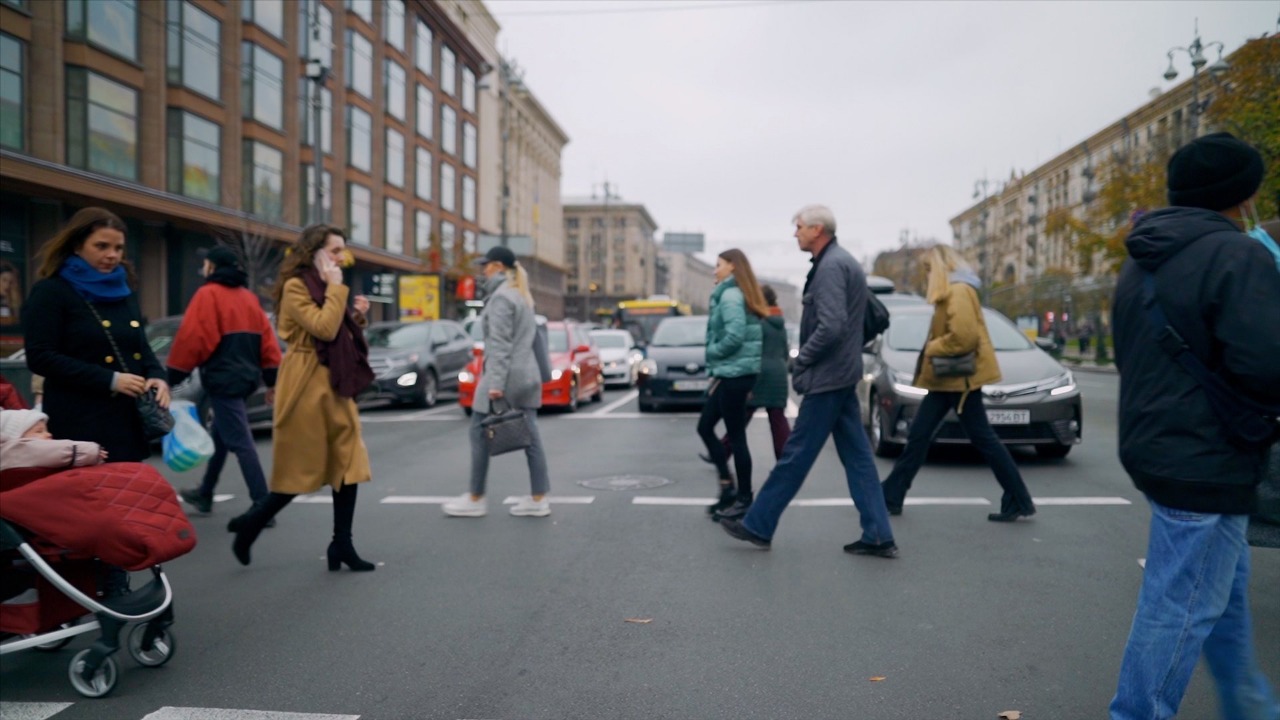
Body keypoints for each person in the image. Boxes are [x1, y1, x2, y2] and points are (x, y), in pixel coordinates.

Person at [1108, 132, 1280, 719]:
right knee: (1180, 607)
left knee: (1219, 596)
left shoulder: (1141, 256)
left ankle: (1251, 707)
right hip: (1209, 457)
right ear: (1244, 192)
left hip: (1158, 448)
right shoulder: (1238, 256)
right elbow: (1267, 365)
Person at [721, 205, 897, 556]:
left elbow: (831, 327)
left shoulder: (831, 267)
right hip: (841, 374)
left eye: (799, 227)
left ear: (818, 230)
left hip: (829, 377)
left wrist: (803, 358)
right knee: (859, 457)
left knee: (796, 454)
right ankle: (878, 534)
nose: (795, 233)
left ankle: (758, 523)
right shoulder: (839, 262)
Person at [230, 225, 377, 572]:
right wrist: (337, 291)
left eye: (343, 250)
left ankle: (342, 543)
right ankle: (252, 524)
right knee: (301, 468)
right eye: (335, 250)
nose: (342, 257)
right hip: (306, 382)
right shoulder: (297, 287)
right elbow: (323, 328)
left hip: (336, 382)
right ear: (314, 252)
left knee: (348, 465)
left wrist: (356, 316)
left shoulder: (328, 285)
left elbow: (335, 329)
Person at [879, 245, 1036, 522]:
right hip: (947, 381)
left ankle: (1018, 497)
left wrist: (931, 347)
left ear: (939, 268)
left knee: (979, 439)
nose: (926, 275)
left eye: (928, 269)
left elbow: (963, 338)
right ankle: (892, 495)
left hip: (959, 380)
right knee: (920, 436)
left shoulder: (958, 291)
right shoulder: (953, 291)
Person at [22, 207, 170, 462]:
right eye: (101, 246)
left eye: (118, 248)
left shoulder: (123, 291)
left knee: (127, 496)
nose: (112, 255)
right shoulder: (51, 291)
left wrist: (157, 377)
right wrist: (110, 379)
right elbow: (40, 356)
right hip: (79, 422)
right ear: (77, 245)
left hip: (126, 421)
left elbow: (140, 347)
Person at [167, 246, 282, 518]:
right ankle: (205, 493)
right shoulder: (249, 298)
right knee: (221, 435)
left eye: (206, 264)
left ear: (213, 267)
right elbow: (268, 342)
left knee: (241, 441)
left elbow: (193, 338)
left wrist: (173, 376)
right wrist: (271, 381)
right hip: (246, 377)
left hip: (221, 377)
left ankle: (262, 504)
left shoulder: (208, 295)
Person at [443, 245, 552, 518]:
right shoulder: (522, 295)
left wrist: (495, 384)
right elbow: (533, 339)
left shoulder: (502, 298)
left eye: (487, 265)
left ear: (499, 267)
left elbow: (501, 345)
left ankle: (476, 497)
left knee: (478, 433)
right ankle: (538, 498)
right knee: (531, 438)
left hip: (505, 376)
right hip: (526, 374)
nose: (483, 270)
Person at [698, 248, 765, 522]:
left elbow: (735, 335)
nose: (715, 270)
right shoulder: (734, 293)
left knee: (736, 438)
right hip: (733, 373)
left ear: (732, 267)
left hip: (735, 374)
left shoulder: (730, 295)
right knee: (705, 427)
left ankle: (743, 498)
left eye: (718, 265)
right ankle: (728, 488)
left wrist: (712, 351)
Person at [702, 284, 792, 465]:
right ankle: (786, 459)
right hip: (778, 373)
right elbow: (785, 351)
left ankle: (720, 451)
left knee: (741, 418)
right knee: (777, 419)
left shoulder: (757, 322)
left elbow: (750, 349)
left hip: (758, 372)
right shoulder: (779, 323)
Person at [0, 408, 107, 467]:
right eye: (39, 431)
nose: (49, 434)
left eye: (46, 430)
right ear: (17, 438)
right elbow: (44, 451)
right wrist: (86, 451)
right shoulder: (16, 452)